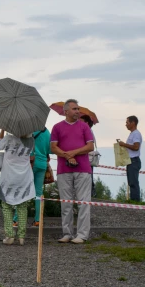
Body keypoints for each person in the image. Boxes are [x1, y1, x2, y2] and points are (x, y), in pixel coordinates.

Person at [50, 99, 95, 244]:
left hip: (83, 169)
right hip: (64, 169)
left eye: (78, 109)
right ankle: (67, 233)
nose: (77, 111)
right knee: (66, 203)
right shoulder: (57, 127)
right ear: (66, 111)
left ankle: (82, 234)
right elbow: (53, 147)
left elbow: (90, 147)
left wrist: (73, 153)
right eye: (75, 109)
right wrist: (67, 155)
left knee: (83, 202)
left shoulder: (84, 127)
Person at [0, 129, 36, 245]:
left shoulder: (9, 138)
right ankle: (22, 236)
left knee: (6, 205)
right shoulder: (31, 141)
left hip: (8, 176)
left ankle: (10, 235)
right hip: (24, 176)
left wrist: (2, 129)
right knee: (22, 206)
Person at [13, 127, 51, 227]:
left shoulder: (30, 130)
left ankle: (17, 219)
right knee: (38, 193)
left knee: (23, 190)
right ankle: (38, 220)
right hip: (43, 164)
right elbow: (50, 150)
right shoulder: (47, 132)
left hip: (31, 163)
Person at [119, 116, 143, 201]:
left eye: (127, 122)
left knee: (133, 182)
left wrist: (124, 144)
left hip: (134, 160)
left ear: (133, 123)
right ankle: (134, 200)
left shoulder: (136, 134)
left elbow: (136, 147)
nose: (126, 125)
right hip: (130, 160)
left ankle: (135, 201)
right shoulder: (132, 133)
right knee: (131, 182)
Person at [81, 115, 97, 198]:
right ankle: (90, 191)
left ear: (86, 123)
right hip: (85, 157)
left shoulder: (88, 131)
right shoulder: (89, 131)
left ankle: (90, 191)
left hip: (87, 157)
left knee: (88, 175)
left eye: (81, 121)